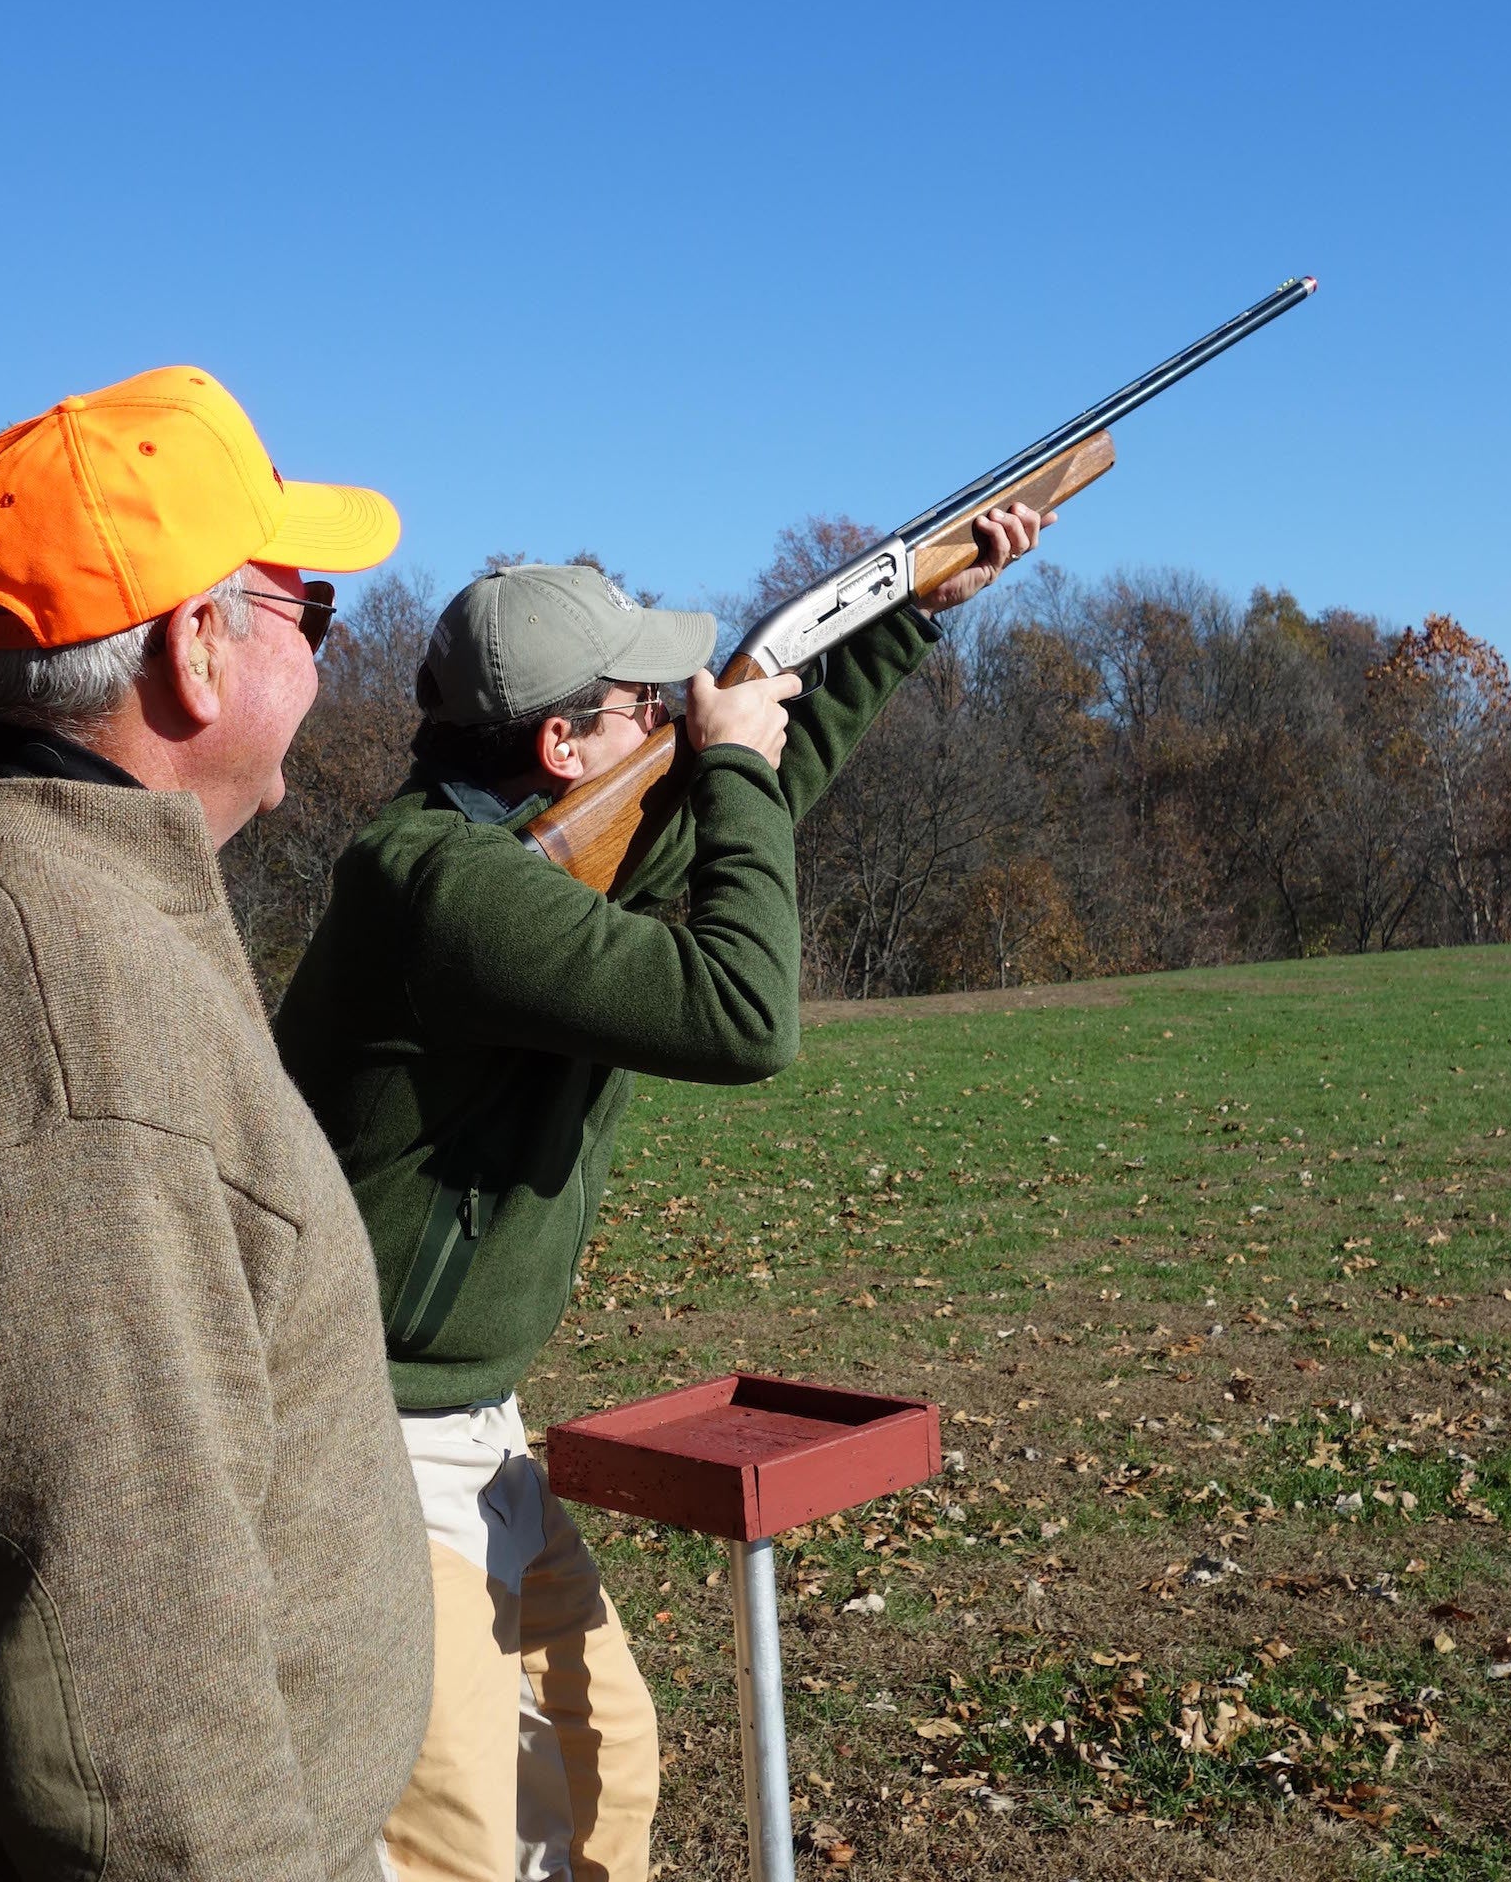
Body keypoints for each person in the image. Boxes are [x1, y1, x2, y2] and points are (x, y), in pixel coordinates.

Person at [273, 506, 1048, 1882]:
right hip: (354, 1438)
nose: (680, 713)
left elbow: (753, 789)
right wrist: (735, 771)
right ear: (562, 747)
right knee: (464, 1830)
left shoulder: (520, 846)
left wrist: (918, 610)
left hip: (469, 1422)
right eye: (649, 703)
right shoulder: (441, 889)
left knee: (605, 1761)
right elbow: (747, 1015)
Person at [0, 366, 433, 1882]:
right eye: (307, 614)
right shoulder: (67, 1045)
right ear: (200, 649)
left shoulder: (50, 926)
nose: (327, 665)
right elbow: (137, 1775)